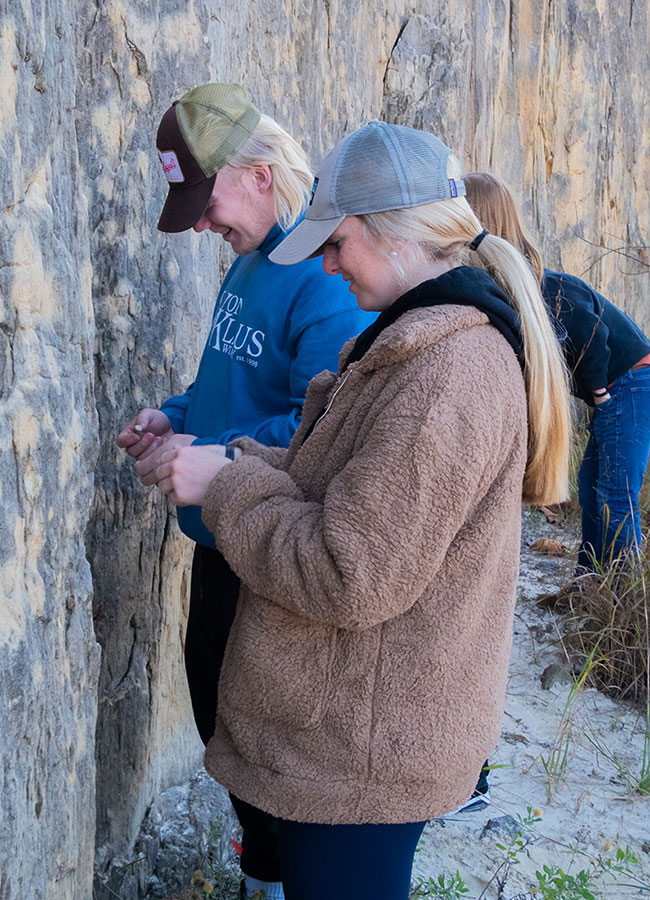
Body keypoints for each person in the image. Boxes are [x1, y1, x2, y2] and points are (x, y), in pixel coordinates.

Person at [150, 121, 572, 900]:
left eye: (339, 241)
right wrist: (231, 459)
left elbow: (349, 571)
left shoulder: (447, 372)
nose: (330, 261)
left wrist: (228, 484)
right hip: (350, 745)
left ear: (392, 232)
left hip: (361, 760)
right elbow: (335, 479)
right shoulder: (420, 346)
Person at [116, 83, 374, 900]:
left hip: (270, 555)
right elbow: (225, 389)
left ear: (259, 173)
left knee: (273, 757)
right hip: (216, 550)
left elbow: (319, 432)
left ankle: (277, 879)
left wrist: (214, 455)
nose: (200, 224)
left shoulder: (324, 278)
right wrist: (173, 418)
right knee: (223, 733)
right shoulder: (249, 267)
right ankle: (261, 873)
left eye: (208, 200)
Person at [464, 172, 650, 570]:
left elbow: (592, 332)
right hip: (625, 383)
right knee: (591, 487)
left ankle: (622, 593)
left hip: (634, 381)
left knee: (615, 492)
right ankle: (591, 578)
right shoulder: (518, 286)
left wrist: (599, 395)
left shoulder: (541, 288)